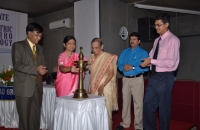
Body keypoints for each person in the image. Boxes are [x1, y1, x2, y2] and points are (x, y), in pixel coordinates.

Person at [140, 13, 180, 130]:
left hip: (165, 77)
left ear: (167, 24)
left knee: (164, 109)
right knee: (147, 105)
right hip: (154, 77)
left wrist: (151, 61)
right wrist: (146, 62)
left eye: (159, 25)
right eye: (155, 25)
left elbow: (171, 62)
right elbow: (152, 56)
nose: (156, 27)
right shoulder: (157, 40)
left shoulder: (173, 40)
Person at [11, 23, 48, 130]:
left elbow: (43, 62)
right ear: (29, 33)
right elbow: (17, 65)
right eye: (37, 35)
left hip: (37, 87)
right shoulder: (18, 45)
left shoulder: (40, 48)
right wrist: (36, 69)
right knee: (24, 119)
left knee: (35, 118)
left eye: (40, 36)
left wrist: (43, 68)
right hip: (24, 88)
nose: (39, 38)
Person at [116, 32, 149, 130]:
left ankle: (138, 126)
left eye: (134, 39)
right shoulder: (125, 52)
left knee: (138, 103)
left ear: (139, 41)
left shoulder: (143, 53)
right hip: (126, 80)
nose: (132, 41)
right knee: (125, 102)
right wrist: (123, 67)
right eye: (131, 39)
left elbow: (146, 68)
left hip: (137, 79)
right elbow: (119, 64)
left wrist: (133, 67)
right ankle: (125, 123)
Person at [88, 38, 118, 130]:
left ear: (102, 46)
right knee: (95, 112)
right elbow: (92, 73)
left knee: (106, 111)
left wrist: (103, 85)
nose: (94, 50)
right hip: (93, 86)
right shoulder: (91, 57)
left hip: (106, 86)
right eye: (93, 48)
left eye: (97, 47)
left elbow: (112, 73)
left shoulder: (109, 57)